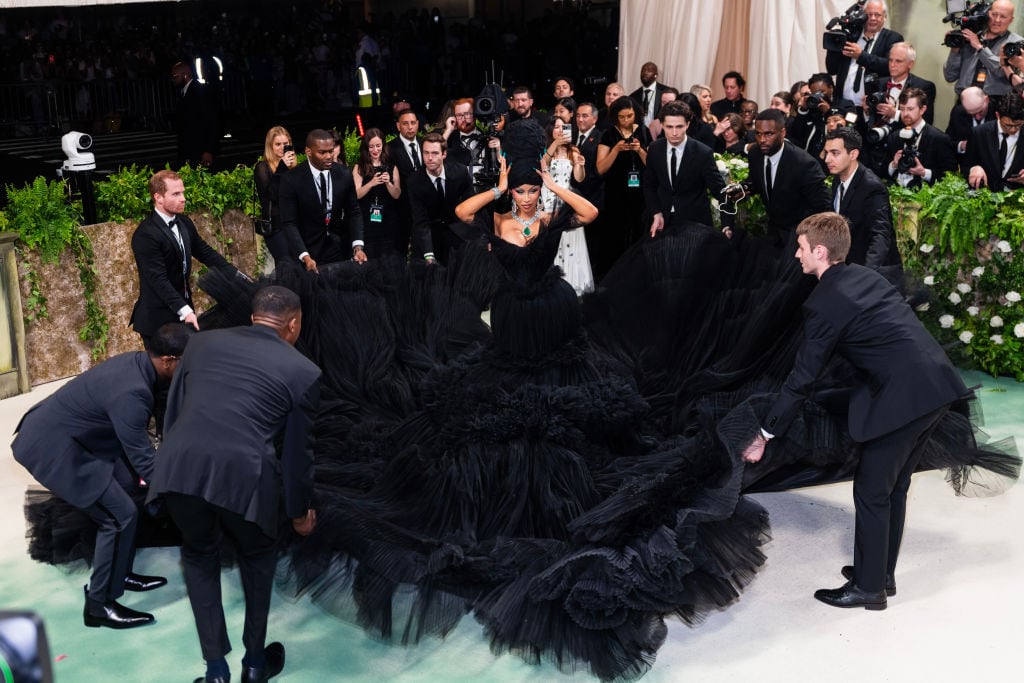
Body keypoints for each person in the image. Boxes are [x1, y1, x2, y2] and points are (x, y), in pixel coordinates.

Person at [741, 212, 973, 611]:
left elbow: (802, 379)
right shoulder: (865, 277)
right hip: (937, 388)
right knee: (894, 487)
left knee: (870, 490)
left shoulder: (824, 302)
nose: (796, 255)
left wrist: (765, 434)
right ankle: (880, 574)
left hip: (905, 397)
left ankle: (869, 590)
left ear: (819, 251)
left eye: (800, 248)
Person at [149, 286, 320, 683]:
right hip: (245, 476)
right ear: (293, 324)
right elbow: (297, 455)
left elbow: (173, 411)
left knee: (198, 556)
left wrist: (171, 464)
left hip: (179, 467)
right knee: (258, 559)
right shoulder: (303, 371)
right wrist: (298, 514)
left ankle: (215, 672)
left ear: (252, 317)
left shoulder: (201, 343)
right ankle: (254, 665)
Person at [12, 323, 192, 630]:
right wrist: (183, 498)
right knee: (118, 516)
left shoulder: (139, 364)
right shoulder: (134, 392)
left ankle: (119, 572)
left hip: (80, 436)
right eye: (189, 363)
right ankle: (98, 605)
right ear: (169, 361)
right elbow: (144, 461)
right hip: (52, 446)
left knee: (126, 494)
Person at [130, 170, 241, 347]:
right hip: (157, 318)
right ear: (158, 198)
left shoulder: (184, 222)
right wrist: (186, 312)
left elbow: (205, 253)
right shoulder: (145, 235)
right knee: (166, 372)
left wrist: (237, 276)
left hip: (183, 310)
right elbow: (158, 280)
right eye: (176, 194)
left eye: (183, 192)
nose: (183, 198)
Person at [278, 128, 366, 272]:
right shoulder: (291, 179)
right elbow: (289, 223)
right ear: (308, 152)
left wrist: (357, 246)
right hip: (306, 252)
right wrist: (305, 256)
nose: (328, 156)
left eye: (331, 151)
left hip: (339, 249)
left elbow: (354, 211)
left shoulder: (343, 174)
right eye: (322, 152)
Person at [744, 109, 832, 248]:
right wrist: (744, 188)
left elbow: (823, 207)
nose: (762, 140)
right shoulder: (755, 153)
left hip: (801, 235)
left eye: (769, 134)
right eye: (758, 134)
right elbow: (756, 181)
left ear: (783, 133)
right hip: (773, 231)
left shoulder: (804, 163)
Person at [822, 127, 902, 277]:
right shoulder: (837, 180)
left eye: (835, 153)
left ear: (853, 154)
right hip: (848, 266)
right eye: (827, 153)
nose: (827, 159)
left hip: (874, 272)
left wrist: (865, 275)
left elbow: (880, 235)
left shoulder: (872, 187)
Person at [645, 101, 726, 236]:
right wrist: (656, 212)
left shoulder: (703, 152)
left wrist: (727, 224)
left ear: (688, 124)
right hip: (662, 221)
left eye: (679, 126)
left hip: (695, 224)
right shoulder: (654, 149)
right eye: (669, 127)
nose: (674, 132)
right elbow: (649, 185)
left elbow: (719, 190)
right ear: (662, 125)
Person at [596, 96, 651, 265]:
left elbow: (652, 164)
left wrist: (640, 150)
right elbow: (600, 168)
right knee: (616, 232)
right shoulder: (608, 134)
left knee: (638, 229)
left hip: (639, 191)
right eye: (622, 117)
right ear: (615, 116)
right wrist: (616, 150)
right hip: (615, 192)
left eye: (630, 116)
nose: (626, 120)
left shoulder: (643, 131)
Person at [406, 132, 474, 264]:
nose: (429, 158)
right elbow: (420, 221)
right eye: (426, 153)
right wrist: (428, 255)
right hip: (428, 239)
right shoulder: (414, 182)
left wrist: (481, 238)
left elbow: (473, 208)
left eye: (435, 153)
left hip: (457, 236)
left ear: (444, 154)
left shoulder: (460, 173)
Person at [826, 0, 903, 107]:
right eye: (869, 14)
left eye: (877, 15)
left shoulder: (893, 38)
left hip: (871, 107)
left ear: (884, 17)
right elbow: (831, 69)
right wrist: (835, 42)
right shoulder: (851, 36)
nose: (873, 18)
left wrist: (861, 56)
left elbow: (890, 67)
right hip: (843, 106)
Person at [943, 0, 1022, 97]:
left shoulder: (1015, 42)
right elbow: (950, 76)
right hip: (964, 102)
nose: (997, 20)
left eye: (1003, 17)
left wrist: (980, 48)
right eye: (994, 14)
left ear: (1011, 20)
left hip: (994, 104)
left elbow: (1002, 70)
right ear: (988, 14)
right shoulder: (969, 36)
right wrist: (954, 50)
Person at [884, 88, 957, 189]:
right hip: (895, 192)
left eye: (910, 109)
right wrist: (894, 165)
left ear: (922, 109)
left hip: (926, 197)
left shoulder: (939, 139)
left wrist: (923, 172)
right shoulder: (894, 136)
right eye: (902, 109)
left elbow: (951, 175)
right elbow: (882, 172)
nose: (905, 114)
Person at [352, 128, 402, 258]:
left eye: (378, 146)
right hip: (367, 219)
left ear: (383, 146)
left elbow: (397, 194)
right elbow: (356, 194)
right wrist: (371, 183)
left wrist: (388, 183)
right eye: (371, 146)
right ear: (366, 147)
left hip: (388, 219)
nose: (375, 150)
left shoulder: (392, 167)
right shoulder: (359, 167)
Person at [862, 43, 938, 127]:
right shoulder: (878, 83)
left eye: (898, 61)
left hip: (904, 137)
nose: (892, 65)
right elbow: (871, 118)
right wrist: (867, 112)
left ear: (910, 64)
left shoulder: (924, 87)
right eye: (890, 60)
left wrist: (896, 114)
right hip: (876, 136)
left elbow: (925, 122)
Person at [253, 126, 298, 265]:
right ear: (270, 146)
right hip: (276, 227)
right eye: (278, 144)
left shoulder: (294, 166)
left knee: (298, 264)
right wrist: (282, 167)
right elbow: (271, 194)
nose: (282, 148)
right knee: (285, 264)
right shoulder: (262, 167)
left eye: (285, 144)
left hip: (293, 224)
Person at [965, 92, 1024, 191]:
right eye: (1008, 125)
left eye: (1018, 125)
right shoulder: (979, 133)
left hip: (1017, 196)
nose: (1013, 130)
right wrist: (974, 168)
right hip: (984, 194)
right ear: (997, 115)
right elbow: (965, 166)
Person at [171, 61, 218, 169]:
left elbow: (210, 121)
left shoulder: (199, 91)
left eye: (175, 76)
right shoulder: (183, 92)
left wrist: (208, 150)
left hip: (200, 149)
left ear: (185, 75)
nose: (173, 80)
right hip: (190, 150)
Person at [946, 86, 996, 168]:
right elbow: (948, 143)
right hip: (966, 165)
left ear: (986, 100)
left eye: (980, 111)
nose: (978, 117)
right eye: (972, 114)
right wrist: (961, 145)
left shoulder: (998, 112)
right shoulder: (958, 112)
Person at [630, 61, 671, 127]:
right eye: (643, 70)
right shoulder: (633, 96)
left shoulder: (665, 91)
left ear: (656, 75)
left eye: (649, 70)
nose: (645, 73)